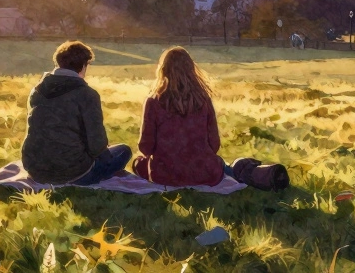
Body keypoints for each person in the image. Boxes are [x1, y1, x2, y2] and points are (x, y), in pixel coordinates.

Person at [21, 41, 131, 185]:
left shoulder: (37, 90)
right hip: (72, 171)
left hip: (35, 168)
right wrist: (105, 158)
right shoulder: (87, 94)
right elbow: (96, 145)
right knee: (123, 151)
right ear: (83, 65)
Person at [132, 47, 230, 187]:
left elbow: (146, 147)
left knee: (138, 163)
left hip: (165, 176)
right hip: (204, 174)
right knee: (220, 163)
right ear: (191, 69)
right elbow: (214, 145)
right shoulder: (204, 100)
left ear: (163, 70)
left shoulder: (153, 101)